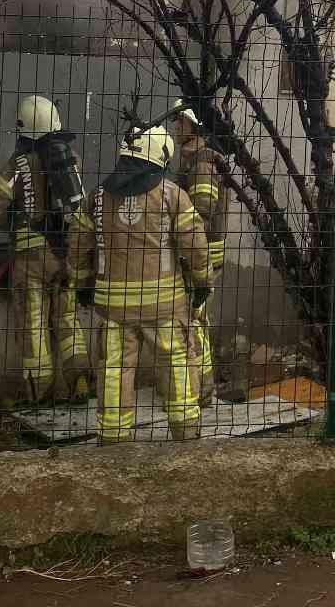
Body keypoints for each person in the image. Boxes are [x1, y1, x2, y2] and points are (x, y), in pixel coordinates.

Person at [71, 124, 211, 443]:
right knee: (176, 364)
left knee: (114, 370)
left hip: (114, 309)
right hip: (165, 307)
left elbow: (78, 246)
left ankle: (113, 437)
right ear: (159, 157)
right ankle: (186, 432)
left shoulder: (97, 198)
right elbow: (195, 245)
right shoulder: (173, 196)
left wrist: (82, 285)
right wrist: (203, 281)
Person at [0, 94, 92, 404]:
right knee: (67, 319)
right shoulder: (70, 159)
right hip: (65, 255)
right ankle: (80, 379)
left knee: (33, 325)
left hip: (30, 261)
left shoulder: (16, 165)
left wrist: (15, 217)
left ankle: (39, 392)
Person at [171, 100, 233, 405]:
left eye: (179, 120)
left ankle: (202, 389)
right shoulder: (194, 160)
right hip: (198, 251)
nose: (174, 126)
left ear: (194, 125)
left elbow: (201, 216)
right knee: (194, 318)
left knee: (193, 319)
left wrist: (187, 253)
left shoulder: (202, 164)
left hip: (200, 253)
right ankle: (200, 386)